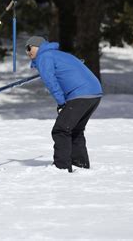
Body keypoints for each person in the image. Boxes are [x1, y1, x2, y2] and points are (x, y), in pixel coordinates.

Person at [25, 36, 103, 172]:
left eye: (29, 48)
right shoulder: (59, 55)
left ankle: (61, 168)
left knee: (60, 130)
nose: (27, 52)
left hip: (80, 94)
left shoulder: (44, 56)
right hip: (94, 93)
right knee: (75, 130)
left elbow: (51, 82)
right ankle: (81, 165)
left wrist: (61, 103)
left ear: (37, 46)